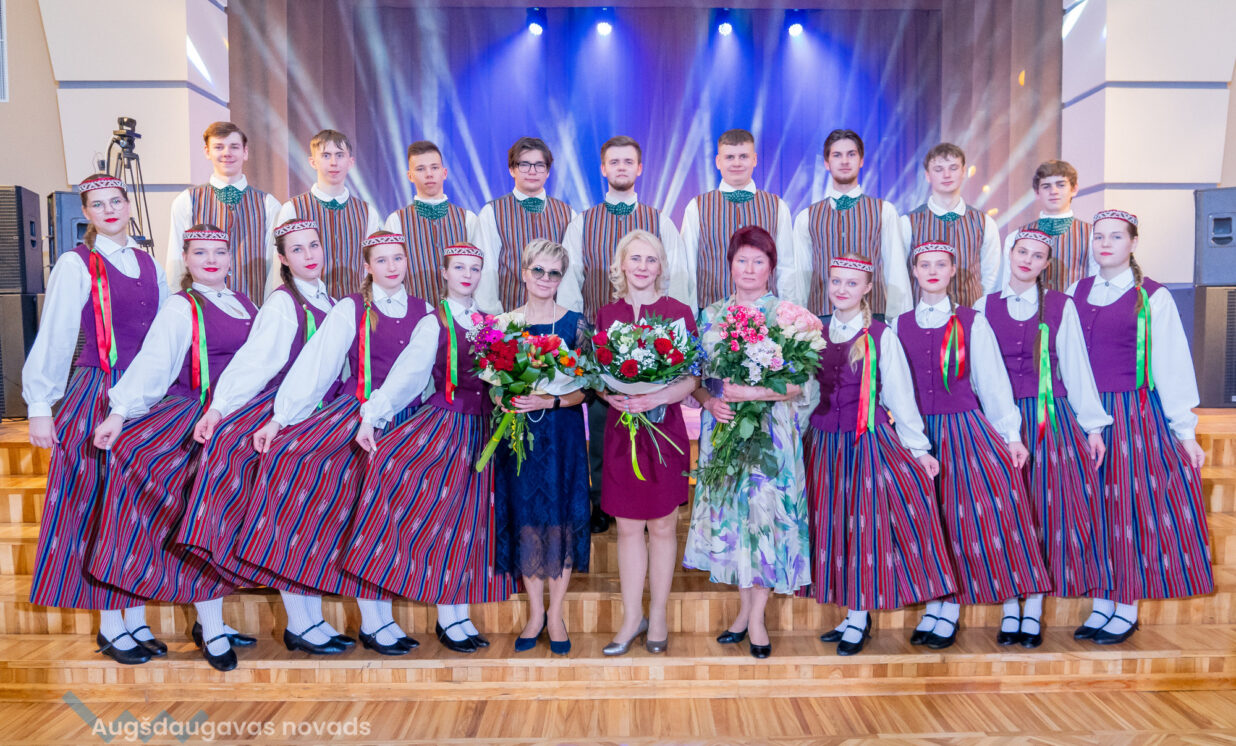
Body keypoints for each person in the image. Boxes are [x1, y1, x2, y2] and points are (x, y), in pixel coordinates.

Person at [236, 231, 435, 656]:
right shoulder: (351, 307)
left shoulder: (427, 313)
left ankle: (379, 620)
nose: (391, 267)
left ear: (408, 262)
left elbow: (419, 375)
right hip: (353, 412)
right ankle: (304, 620)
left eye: (398, 258)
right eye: (381, 260)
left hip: (400, 418)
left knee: (379, 517)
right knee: (294, 473)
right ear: (367, 267)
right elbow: (318, 365)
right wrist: (280, 418)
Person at [88, 225, 258, 671]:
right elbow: (155, 364)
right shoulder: (182, 306)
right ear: (185, 259)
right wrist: (119, 413)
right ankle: (129, 623)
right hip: (190, 415)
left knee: (223, 515)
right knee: (191, 509)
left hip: (234, 418)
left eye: (219, 252)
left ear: (231, 258)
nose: (211, 260)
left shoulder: (247, 304)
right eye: (200, 252)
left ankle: (207, 620)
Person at [343, 242, 516, 654]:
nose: (467, 275)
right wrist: (373, 416)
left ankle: (455, 615)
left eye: (474, 268)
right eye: (459, 268)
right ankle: (394, 617)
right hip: (446, 427)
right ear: (444, 272)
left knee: (470, 526)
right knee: (438, 520)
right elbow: (408, 374)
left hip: (484, 431)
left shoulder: (491, 321)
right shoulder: (433, 321)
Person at [24, 174, 167, 665]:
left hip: (145, 396)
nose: (108, 209)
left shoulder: (149, 262)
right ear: (85, 213)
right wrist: (40, 406)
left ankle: (135, 615)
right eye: (97, 204)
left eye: (115, 201)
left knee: (135, 508)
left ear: (128, 205)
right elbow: (57, 333)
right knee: (99, 506)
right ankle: (111, 625)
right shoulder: (76, 262)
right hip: (97, 391)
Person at [183, 218, 343, 654]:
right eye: (297, 249)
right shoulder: (282, 302)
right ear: (283, 259)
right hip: (284, 409)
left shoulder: (331, 301)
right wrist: (220, 408)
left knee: (312, 517)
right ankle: (298, 622)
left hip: (320, 410)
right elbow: (257, 361)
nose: (309, 255)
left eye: (314, 245)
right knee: (288, 509)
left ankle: (311, 617)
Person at [892, 241, 1051, 649]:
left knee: (962, 520)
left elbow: (992, 381)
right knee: (927, 522)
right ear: (914, 272)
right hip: (916, 434)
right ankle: (934, 605)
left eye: (940, 264)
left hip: (962, 431)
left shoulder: (972, 321)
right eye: (924, 264)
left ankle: (956, 610)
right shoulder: (898, 324)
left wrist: (1010, 435)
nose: (932, 270)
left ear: (952, 271)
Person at [1067, 210, 1214, 644]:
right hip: (1081, 411)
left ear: (1133, 243)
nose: (1105, 243)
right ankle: (1101, 600)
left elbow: (1171, 363)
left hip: (1131, 413)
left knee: (1128, 508)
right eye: (1099, 237)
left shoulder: (1152, 296)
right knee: (1092, 506)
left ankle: (1126, 606)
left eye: (1116, 237)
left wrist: (1185, 431)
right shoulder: (1075, 292)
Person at [806, 255, 956, 656]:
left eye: (852, 283)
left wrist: (919, 449)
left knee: (863, 529)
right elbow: (807, 393)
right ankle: (851, 613)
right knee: (834, 527)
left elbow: (900, 396)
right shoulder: (814, 332)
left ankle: (859, 616)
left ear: (867, 288)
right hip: (824, 444)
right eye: (836, 281)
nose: (842, 289)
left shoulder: (879, 334)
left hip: (865, 444)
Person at [974, 228, 1112, 646]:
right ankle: (1009, 608)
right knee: (1004, 514)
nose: (1027, 260)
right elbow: (979, 373)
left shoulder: (1060, 305)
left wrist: (1092, 425)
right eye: (1022, 251)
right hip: (998, 420)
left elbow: (1075, 364)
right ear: (1010, 253)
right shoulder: (983, 306)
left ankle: (1032, 609)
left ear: (1046, 265)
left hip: (1049, 418)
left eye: (1037, 256)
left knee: (1043, 513)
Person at [684, 225, 813, 659]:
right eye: (743, 260)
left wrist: (750, 393)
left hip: (771, 435)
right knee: (735, 522)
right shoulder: (710, 316)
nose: (750, 268)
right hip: (723, 432)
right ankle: (742, 613)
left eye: (759, 261)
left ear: (771, 268)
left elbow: (798, 384)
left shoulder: (787, 316)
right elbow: (695, 379)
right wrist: (709, 400)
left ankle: (756, 619)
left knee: (764, 520)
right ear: (730, 265)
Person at [559, 135, 689, 534]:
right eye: (613, 161)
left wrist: (678, 342)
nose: (621, 167)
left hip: (659, 346)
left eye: (628, 161)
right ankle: (605, 502)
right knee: (604, 426)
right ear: (603, 169)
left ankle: (658, 499)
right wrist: (581, 341)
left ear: (639, 168)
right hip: (603, 339)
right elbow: (571, 281)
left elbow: (678, 277)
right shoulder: (582, 221)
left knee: (657, 425)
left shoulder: (660, 220)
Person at [596, 231, 699, 656]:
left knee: (662, 525)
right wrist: (609, 395)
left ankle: (657, 616)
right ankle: (630, 618)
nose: (642, 266)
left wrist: (658, 397)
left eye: (650, 259)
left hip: (665, 429)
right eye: (634, 258)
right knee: (626, 528)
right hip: (622, 431)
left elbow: (692, 377)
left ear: (661, 266)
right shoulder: (607, 314)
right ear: (621, 264)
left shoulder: (678, 312)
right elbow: (595, 373)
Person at [492, 239, 591, 656]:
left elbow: (586, 389)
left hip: (561, 433)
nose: (546, 279)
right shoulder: (504, 325)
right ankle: (535, 613)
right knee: (527, 519)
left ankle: (556, 614)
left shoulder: (576, 324)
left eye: (554, 273)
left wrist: (549, 400)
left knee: (561, 520)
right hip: (519, 437)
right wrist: (506, 396)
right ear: (523, 273)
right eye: (539, 271)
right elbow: (493, 383)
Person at [790, 129, 909, 319]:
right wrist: (798, 322)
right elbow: (800, 278)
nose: (845, 161)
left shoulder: (884, 211)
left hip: (873, 317)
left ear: (861, 160)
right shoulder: (806, 217)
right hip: (822, 320)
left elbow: (896, 272)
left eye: (851, 154)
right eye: (837, 155)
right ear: (826, 163)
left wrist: (899, 321)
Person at [679, 129, 796, 311]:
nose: (737, 163)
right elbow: (687, 269)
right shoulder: (697, 207)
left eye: (743, 156)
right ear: (718, 162)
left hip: (767, 318)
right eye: (729, 157)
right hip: (711, 318)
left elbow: (786, 269)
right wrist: (691, 318)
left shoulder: (777, 206)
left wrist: (788, 315)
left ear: (754, 159)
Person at [166, 122, 281, 302]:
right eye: (219, 147)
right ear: (207, 152)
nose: (227, 153)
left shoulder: (269, 204)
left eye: (234, 147)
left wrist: (270, 309)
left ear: (245, 152)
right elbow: (176, 262)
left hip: (254, 307)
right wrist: (179, 304)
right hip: (202, 309)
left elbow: (275, 266)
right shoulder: (186, 201)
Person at [273, 129, 382, 298]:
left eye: (339, 155)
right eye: (326, 155)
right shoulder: (293, 208)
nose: (333, 162)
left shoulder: (367, 212)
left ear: (350, 162)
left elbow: (375, 266)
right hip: (306, 304)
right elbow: (279, 266)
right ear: (313, 162)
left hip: (355, 305)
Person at [474, 137, 576, 313]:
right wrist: (493, 318)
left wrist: (566, 317)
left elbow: (571, 274)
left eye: (539, 165)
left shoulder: (567, 213)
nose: (532, 171)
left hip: (555, 319)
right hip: (509, 318)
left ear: (548, 172)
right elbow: (487, 271)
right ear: (512, 170)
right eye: (524, 164)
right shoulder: (492, 212)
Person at [899, 143, 1001, 305]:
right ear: (927, 175)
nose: (946, 175)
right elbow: (899, 277)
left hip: (971, 314)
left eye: (953, 168)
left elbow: (992, 278)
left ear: (963, 171)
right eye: (938, 169)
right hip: (921, 315)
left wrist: (981, 312)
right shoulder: (908, 223)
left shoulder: (985, 223)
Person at [383, 140, 479, 302]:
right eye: (420, 169)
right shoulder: (396, 221)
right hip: (415, 312)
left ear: (444, 172)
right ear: (410, 176)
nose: (429, 174)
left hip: (462, 312)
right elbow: (389, 274)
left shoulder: (467, 219)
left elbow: (479, 271)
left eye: (434, 167)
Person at [1001, 160, 1097, 291]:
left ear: (1074, 189)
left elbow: (1098, 283)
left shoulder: (1093, 234)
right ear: (1037, 193)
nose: (1054, 191)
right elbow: (1007, 286)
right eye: (1046, 186)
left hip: (1077, 304)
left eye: (1061, 185)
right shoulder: (1016, 237)